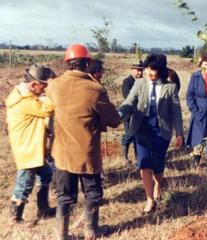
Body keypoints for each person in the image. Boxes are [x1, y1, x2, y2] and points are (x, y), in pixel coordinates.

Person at [46, 43, 120, 239]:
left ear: (68, 63)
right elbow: (114, 120)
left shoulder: (54, 85)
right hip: (86, 155)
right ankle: (91, 231)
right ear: (88, 63)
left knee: (64, 197)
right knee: (93, 194)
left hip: (61, 153)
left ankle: (61, 234)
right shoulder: (94, 89)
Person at [118, 54, 184, 213]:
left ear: (160, 70)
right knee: (144, 163)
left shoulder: (170, 87)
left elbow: (176, 112)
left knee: (158, 164)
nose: (148, 72)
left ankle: (158, 185)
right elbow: (129, 102)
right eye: (146, 68)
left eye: (152, 69)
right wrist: (119, 114)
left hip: (162, 131)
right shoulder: (140, 83)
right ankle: (150, 200)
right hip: (142, 129)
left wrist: (179, 133)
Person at [6, 64, 56, 223]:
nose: (45, 89)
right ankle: (15, 218)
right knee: (24, 184)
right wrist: (50, 92)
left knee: (46, 174)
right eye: (44, 86)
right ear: (34, 85)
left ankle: (44, 209)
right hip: (27, 150)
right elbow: (48, 108)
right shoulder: (24, 100)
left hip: (33, 148)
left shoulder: (26, 95)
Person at [121, 61, 144, 161]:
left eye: (141, 71)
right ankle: (125, 157)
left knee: (138, 137)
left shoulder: (143, 82)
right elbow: (128, 98)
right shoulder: (127, 82)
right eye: (138, 70)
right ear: (132, 70)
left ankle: (138, 157)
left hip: (140, 113)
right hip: (130, 114)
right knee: (129, 135)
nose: (140, 73)